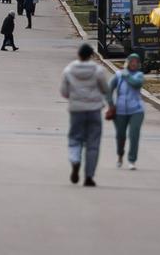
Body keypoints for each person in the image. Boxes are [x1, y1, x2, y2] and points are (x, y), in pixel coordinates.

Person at [60, 44, 112, 187]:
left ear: (79, 55)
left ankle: (75, 160)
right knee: (93, 143)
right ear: (91, 55)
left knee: (75, 139)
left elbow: (64, 92)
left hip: (76, 110)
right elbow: (105, 89)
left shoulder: (69, 70)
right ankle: (89, 176)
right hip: (94, 110)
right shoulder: (98, 71)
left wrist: (75, 96)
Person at [109, 53, 147, 170]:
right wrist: (111, 104)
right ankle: (120, 154)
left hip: (136, 110)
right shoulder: (118, 75)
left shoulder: (139, 75)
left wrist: (127, 76)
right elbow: (108, 89)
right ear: (127, 63)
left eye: (136, 62)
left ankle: (132, 160)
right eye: (132, 61)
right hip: (120, 110)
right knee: (121, 135)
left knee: (134, 134)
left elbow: (136, 84)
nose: (134, 64)